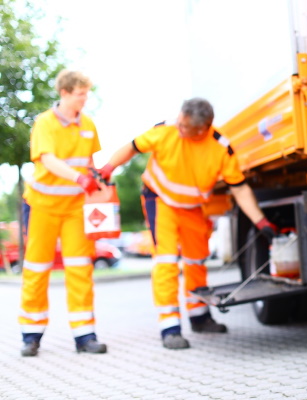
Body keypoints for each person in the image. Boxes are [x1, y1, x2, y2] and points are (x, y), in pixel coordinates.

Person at [99, 98, 277, 350]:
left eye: (185, 126)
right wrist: (108, 167)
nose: (179, 128)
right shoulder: (165, 131)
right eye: (180, 121)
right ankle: (169, 327)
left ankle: (199, 318)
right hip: (159, 200)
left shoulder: (220, 148)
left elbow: (239, 188)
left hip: (192, 207)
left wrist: (261, 222)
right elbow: (131, 147)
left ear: (203, 129)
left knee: (196, 261)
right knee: (167, 261)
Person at [19, 70, 108, 356]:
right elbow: (48, 159)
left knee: (81, 268)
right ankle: (31, 336)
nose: (85, 98)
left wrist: (101, 179)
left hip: (75, 209)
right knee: (36, 269)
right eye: (81, 93)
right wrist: (79, 178)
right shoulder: (45, 123)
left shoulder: (89, 124)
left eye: (86, 93)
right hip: (42, 206)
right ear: (65, 93)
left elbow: (93, 161)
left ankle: (85, 336)